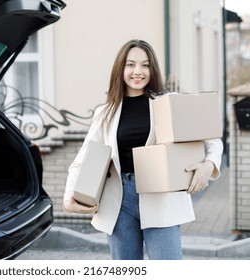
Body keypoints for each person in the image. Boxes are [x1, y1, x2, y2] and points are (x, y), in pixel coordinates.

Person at [63, 39, 223, 260]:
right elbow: (83, 160)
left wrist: (210, 164)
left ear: (152, 69)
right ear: (121, 68)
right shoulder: (105, 113)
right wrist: (68, 196)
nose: (138, 71)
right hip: (120, 202)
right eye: (130, 64)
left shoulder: (167, 103)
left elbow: (210, 136)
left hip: (161, 197)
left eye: (145, 65)